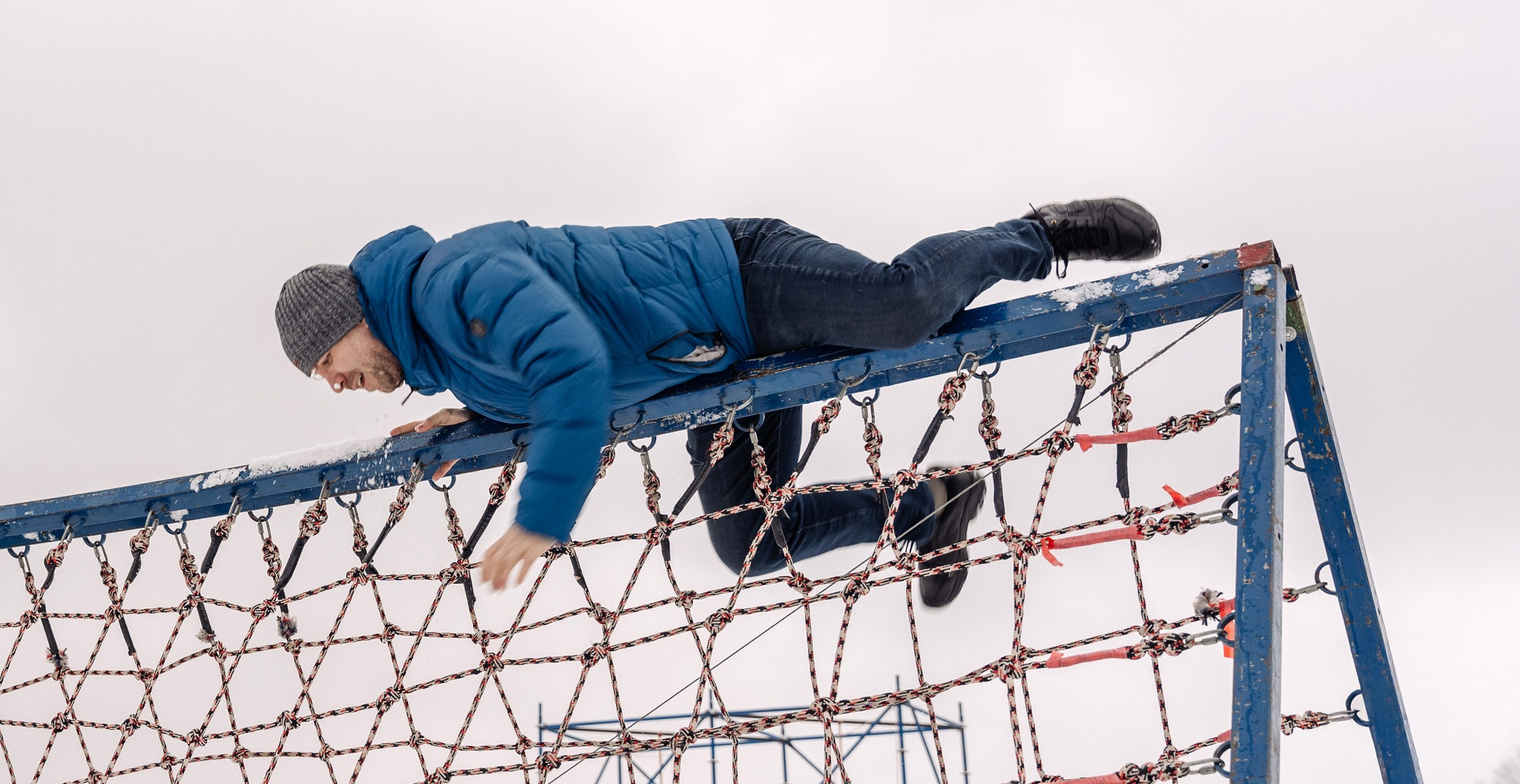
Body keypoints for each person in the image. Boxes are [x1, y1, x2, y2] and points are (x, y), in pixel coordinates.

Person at [273, 200, 1162, 596]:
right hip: (717, 382)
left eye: (328, 356)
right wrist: (487, 416)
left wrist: (542, 514)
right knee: (750, 539)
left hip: (735, 281)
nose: (336, 381)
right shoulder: (459, 363)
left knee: (901, 310)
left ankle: (1041, 232)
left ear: (353, 312)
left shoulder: (453, 280)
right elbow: (544, 375)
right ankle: (931, 508)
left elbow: (574, 363)